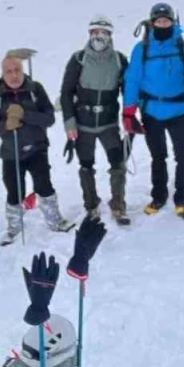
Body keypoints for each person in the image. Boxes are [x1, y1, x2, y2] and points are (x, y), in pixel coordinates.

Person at [122, 2, 184, 217]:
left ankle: (182, 198)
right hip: (151, 110)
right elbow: (133, 80)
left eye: (166, 20)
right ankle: (158, 197)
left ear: (172, 22)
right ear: (152, 23)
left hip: (179, 109)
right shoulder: (142, 49)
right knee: (158, 156)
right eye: (158, 21)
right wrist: (128, 110)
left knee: (183, 156)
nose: (162, 24)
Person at [0, 52, 74, 243]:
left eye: (17, 70)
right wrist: (6, 125)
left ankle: (55, 221)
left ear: (23, 70)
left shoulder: (35, 89)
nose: (14, 75)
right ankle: (14, 228)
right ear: (3, 73)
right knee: (14, 191)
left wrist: (24, 114)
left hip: (37, 148)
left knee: (44, 185)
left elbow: (49, 118)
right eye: (9, 71)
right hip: (11, 152)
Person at [59, 15, 131, 225]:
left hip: (109, 123)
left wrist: (130, 116)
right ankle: (91, 206)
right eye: (95, 32)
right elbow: (66, 93)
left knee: (117, 163)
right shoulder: (79, 59)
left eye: (104, 32)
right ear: (89, 34)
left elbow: (128, 91)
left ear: (110, 35)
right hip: (83, 124)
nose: (99, 36)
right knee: (86, 165)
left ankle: (118, 205)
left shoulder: (119, 60)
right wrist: (69, 123)